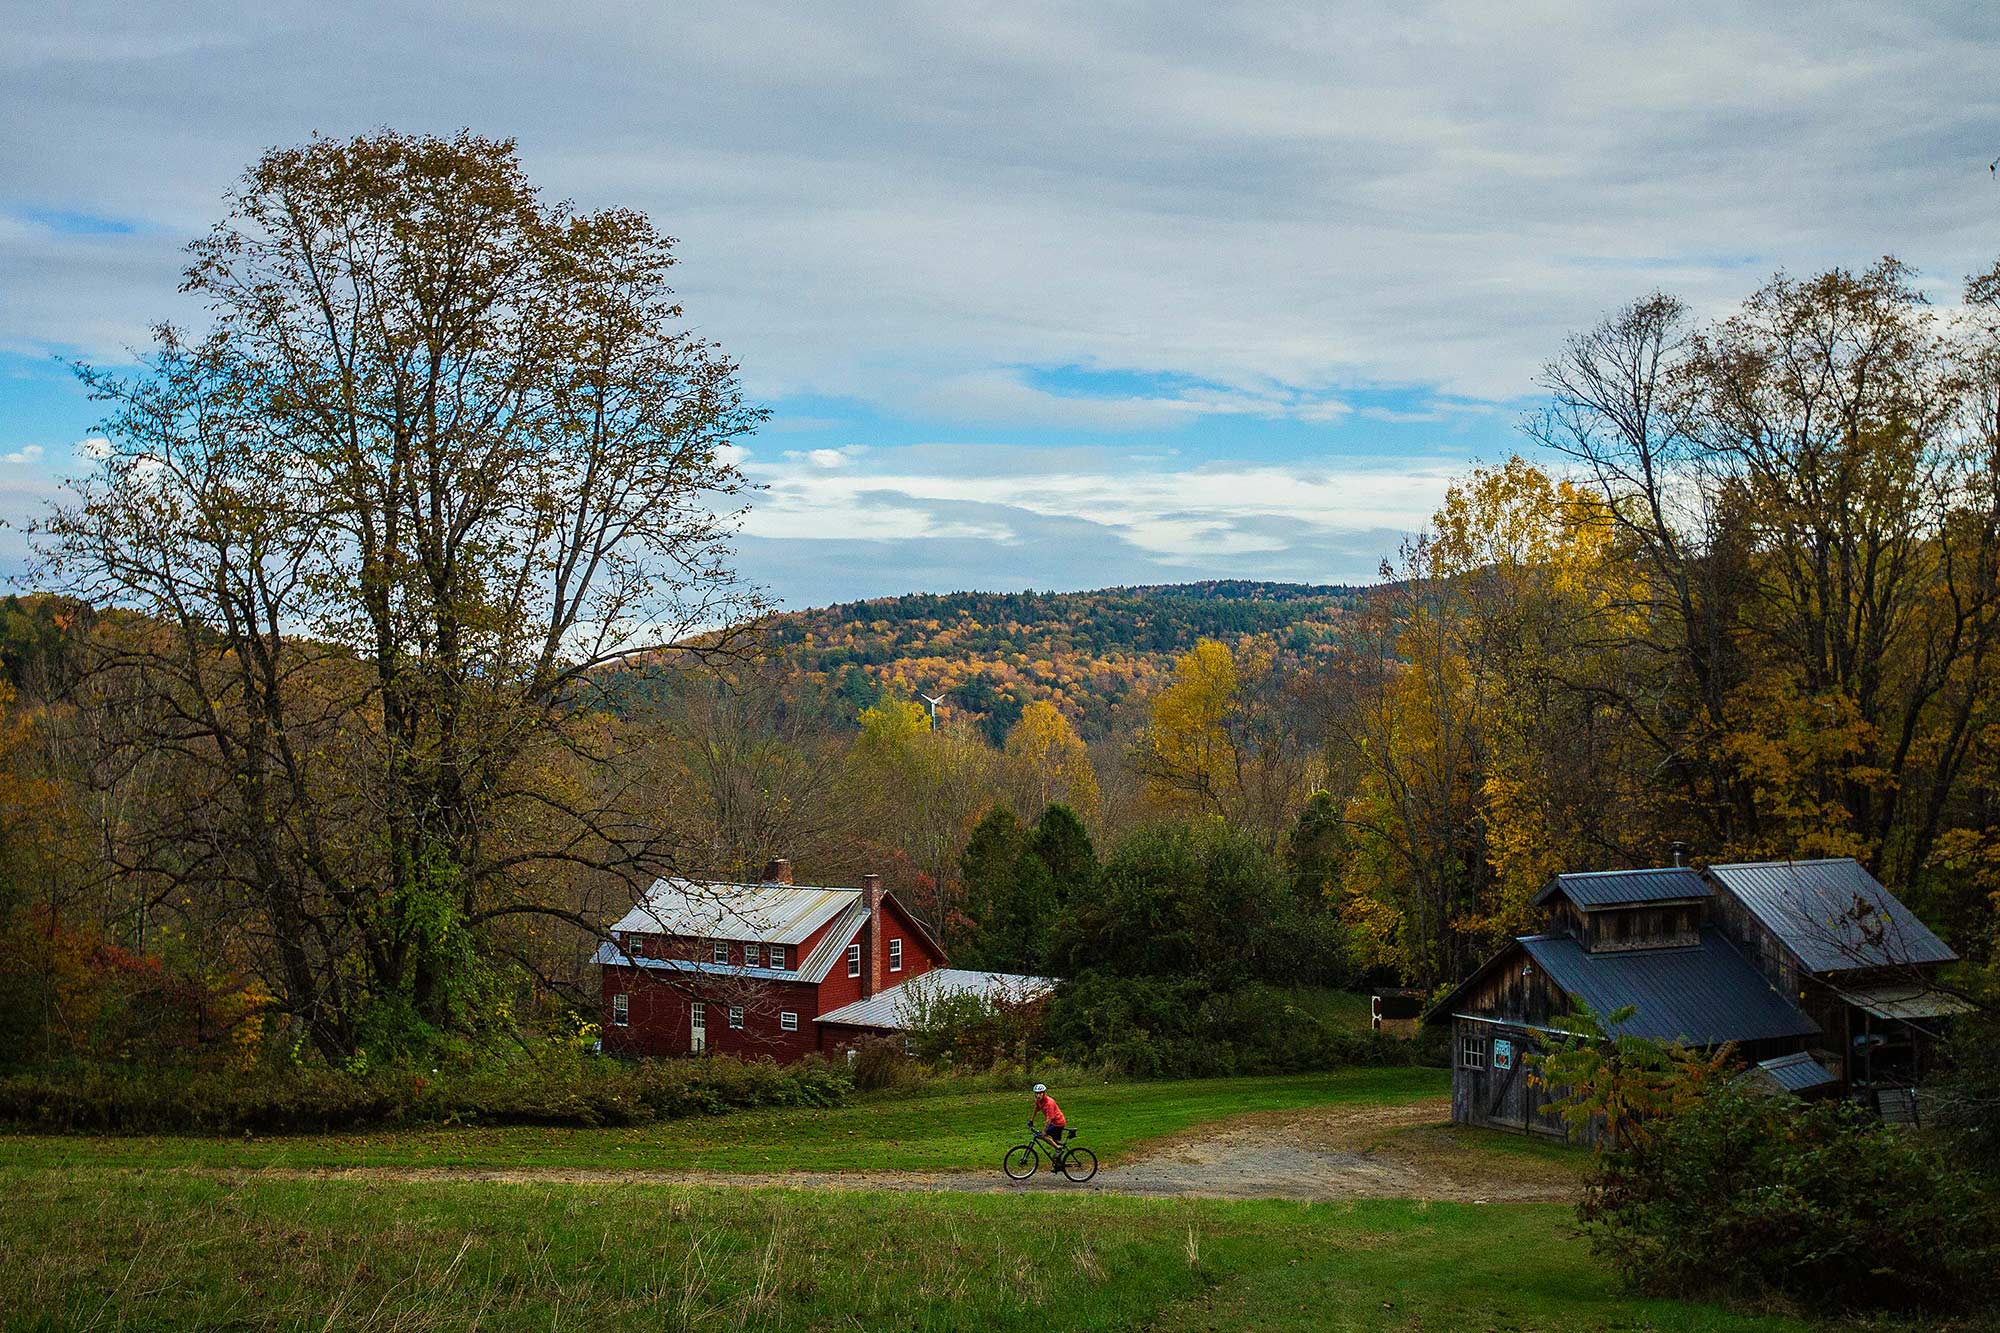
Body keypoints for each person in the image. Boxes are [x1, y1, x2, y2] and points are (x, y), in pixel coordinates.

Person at [1030, 1082, 1067, 1156]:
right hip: (1053, 1123)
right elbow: (1036, 1108)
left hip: (1058, 1123)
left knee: (1043, 1136)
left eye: (1040, 1093)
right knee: (1056, 1141)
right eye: (1036, 1093)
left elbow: (1049, 1120)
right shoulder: (1038, 1100)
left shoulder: (1049, 1103)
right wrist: (1031, 1120)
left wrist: (1044, 1131)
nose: (1038, 1095)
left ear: (1044, 1093)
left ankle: (1058, 1148)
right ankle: (1058, 1165)